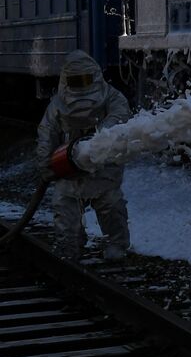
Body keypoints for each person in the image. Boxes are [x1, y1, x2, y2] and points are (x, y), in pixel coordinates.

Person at [35, 50, 132, 260]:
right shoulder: (58, 105)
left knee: (111, 207)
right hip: (69, 170)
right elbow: (46, 134)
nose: (80, 85)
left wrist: (100, 138)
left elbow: (120, 116)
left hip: (103, 169)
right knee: (66, 214)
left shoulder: (111, 96)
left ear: (95, 77)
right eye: (75, 80)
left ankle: (117, 244)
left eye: (84, 79)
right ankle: (70, 247)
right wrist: (46, 165)